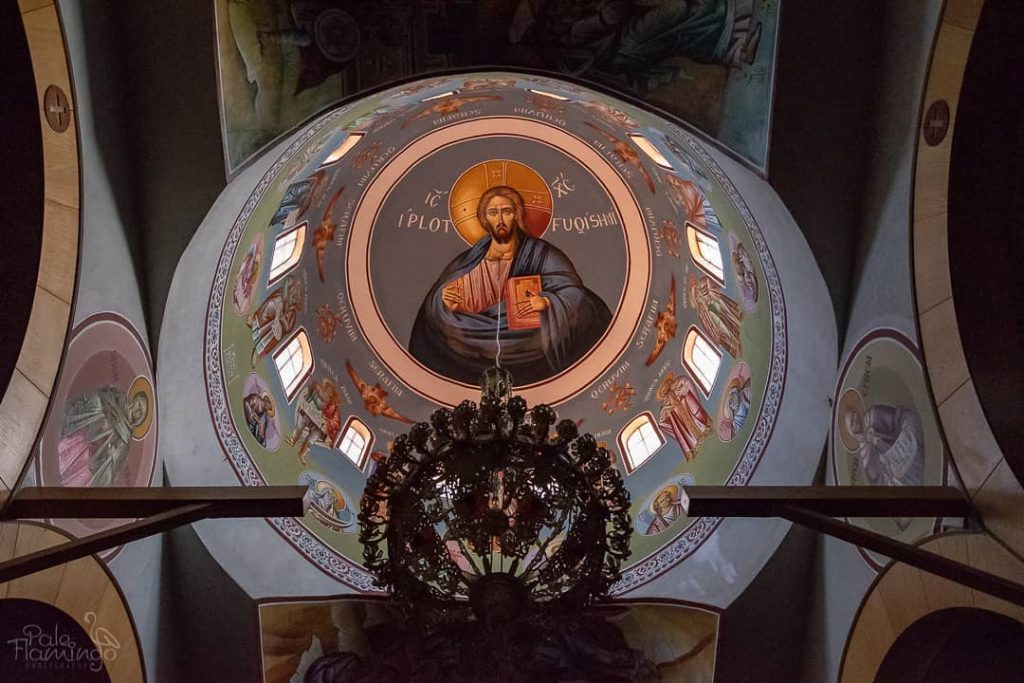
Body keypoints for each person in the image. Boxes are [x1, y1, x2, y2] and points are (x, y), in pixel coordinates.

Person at [409, 186, 612, 384]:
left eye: (506, 211)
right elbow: (436, 304)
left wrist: (547, 302)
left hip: (530, 350)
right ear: (484, 219)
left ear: (516, 215)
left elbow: (574, 293)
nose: (500, 219)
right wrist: (444, 304)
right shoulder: (467, 262)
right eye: (493, 213)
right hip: (473, 353)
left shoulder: (542, 254)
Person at [57, 386, 149, 487]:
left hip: (88, 466)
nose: (138, 411)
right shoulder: (116, 399)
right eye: (139, 405)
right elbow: (98, 401)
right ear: (134, 400)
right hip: (80, 443)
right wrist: (101, 420)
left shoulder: (126, 439)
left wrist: (112, 456)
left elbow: (112, 467)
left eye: (142, 413)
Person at [839, 394, 925, 489]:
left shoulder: (873, 415)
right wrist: (888, 480)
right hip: (902, 475)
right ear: (852, 432)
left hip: (908, 448)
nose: (855, 419)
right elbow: (877, 479)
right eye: (852, 422)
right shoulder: (865, 455)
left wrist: (904, 427)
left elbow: (895, 418)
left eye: (853, 414)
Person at [657, 373, 712, 461]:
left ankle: (703, 431)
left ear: (669, 383)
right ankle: (694, 444)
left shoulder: (677, 387)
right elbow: (661, 420)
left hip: (687, 409)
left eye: (665, 386)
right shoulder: (666, 403)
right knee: (686, 430)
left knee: (694, 421)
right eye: (663, 391)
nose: (665, 390)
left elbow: (687, 385)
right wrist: (667, 408)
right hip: (679, 418)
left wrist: (681, 396)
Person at [248, 276, 302, 365]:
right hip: (271, 321)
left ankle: (257, 351)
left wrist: (283, 319)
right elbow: (278, 300)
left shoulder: (293, 314)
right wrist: (278, 310)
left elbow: (288, 328)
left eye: (295, 299)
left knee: (267, 339)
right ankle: (255, 326)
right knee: (271, 304)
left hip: (274, 331)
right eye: (293, 295)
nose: (293, 299)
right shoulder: (282, 297)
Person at [689, 274, 744, 358]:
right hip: (708, 313)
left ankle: (736, 319)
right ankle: (735, 343)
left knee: (726, 313)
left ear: (695, 279)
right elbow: (694, 306)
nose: (692, 282)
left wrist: (711, 297)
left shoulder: (702, 282)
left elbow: (711, 287)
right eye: (691, 282)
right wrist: (692, 291)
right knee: (721, 327)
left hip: (713, 302)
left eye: (693, 280)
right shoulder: (694, 294)